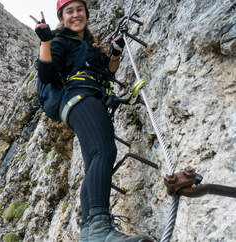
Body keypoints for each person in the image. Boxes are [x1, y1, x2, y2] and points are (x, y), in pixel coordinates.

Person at [30, 0, 154, 241]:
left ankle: (89, 231)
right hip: (79, 98)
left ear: (86, 13)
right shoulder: (61, 40)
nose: (75, 15)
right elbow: (46, 73)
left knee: (95, 163)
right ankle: (99, 230)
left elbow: (108, 72)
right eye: (69, 11)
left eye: (79, 10)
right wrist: (45, 40)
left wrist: (115, 52)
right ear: (62, 17)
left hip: (86, 100)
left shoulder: (88, 46)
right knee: (104, 151)